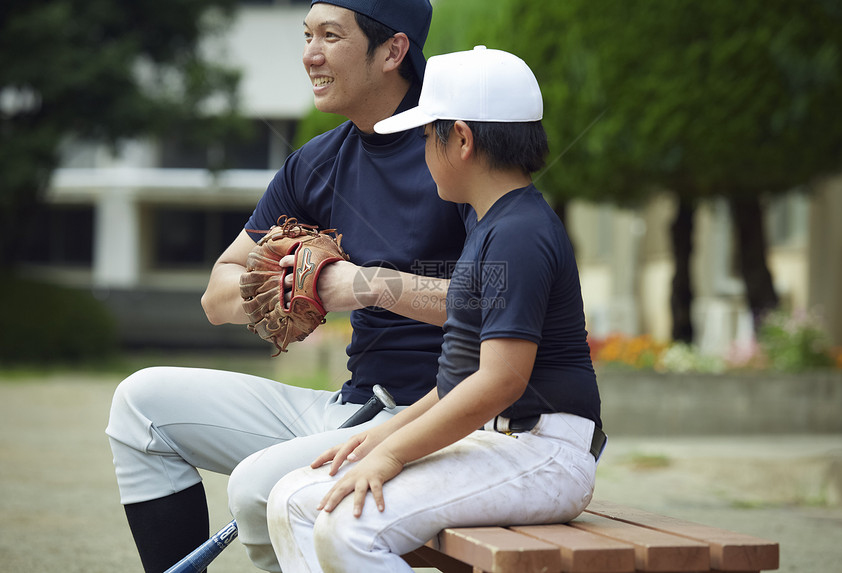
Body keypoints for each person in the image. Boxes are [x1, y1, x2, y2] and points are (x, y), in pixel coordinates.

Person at [105, 1, 474, 572]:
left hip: (436, 418)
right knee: (140, 404)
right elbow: (217, 296)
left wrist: (366, 285)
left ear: (393, 52)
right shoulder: (317, 162)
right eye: (307, 35)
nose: (310, 54)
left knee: (259, 489)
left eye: (331, 36)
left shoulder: (460, 147)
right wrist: (292, 280)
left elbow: (498, 298)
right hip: (351, 407)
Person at [264, 46, 605, 573]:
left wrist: (393, 455)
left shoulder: (519, 233)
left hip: (544, 454)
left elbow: (499, 382)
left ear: (462, 140)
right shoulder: (490, 225)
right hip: (507, 443)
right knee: (293, 500)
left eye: (427, 135)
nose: (423, 151)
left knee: (347, 524)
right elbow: (457, 382)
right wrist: (379, 437)